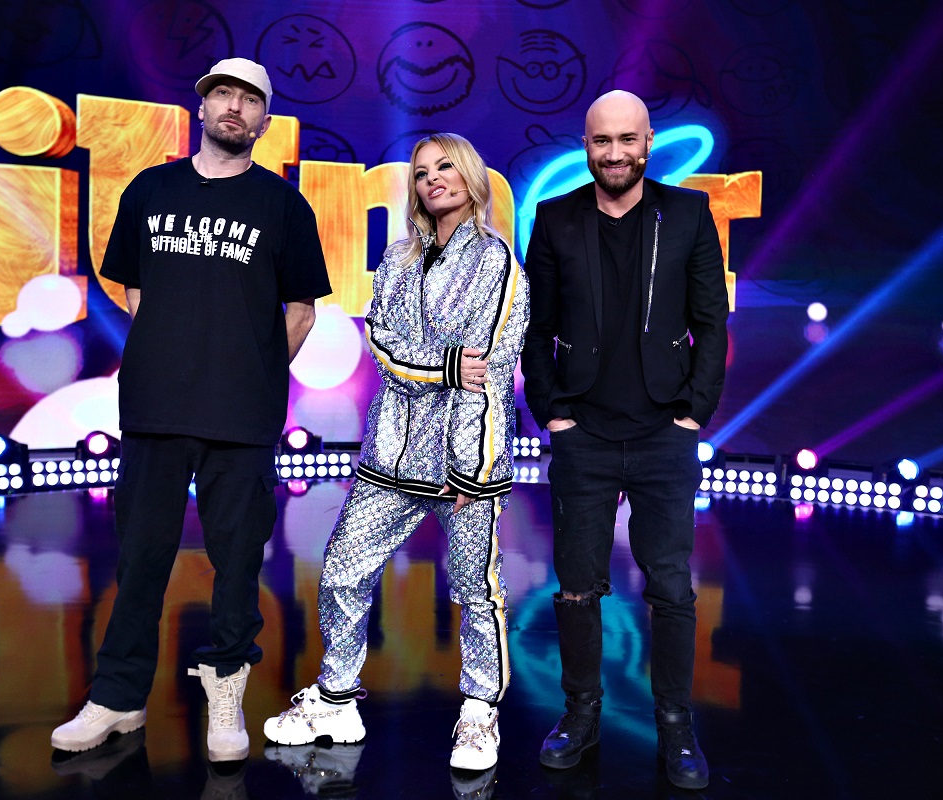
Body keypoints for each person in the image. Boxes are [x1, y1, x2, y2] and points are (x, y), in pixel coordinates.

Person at [50, 57, 332, 761]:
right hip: (156, 407)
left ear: (264, 120)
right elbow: (135, 291)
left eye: (249, 100)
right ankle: (118, 698)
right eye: (222, 95)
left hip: (242, 415)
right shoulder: (151, 188)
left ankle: (226, 693)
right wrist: (175, 353)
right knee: (141, 560)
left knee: (236, 566)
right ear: (201, 108)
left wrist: (250, 373)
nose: (234, 108)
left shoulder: (284, 205)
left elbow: (301, 311)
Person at [262, 133, 528, 771]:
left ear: (470, 174)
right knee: (342, 570)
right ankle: (337, 699)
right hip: (390, 454)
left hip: (467, 458)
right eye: (421, 172)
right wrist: (443, 364)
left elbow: (486, 372)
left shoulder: (497, 262)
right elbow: (380, 341)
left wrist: (472, 469)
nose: (432, 179)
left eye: (445, 166)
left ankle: (479, 712)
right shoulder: (398, 257)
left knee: (476, 589)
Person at [522, 90, 728, 790]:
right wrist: (552, 411)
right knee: (577, 587)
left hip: (665, 430)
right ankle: (581, 713)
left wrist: (695, 411)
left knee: (670, 586)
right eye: (601, 140)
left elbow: (712, 320)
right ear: (586, 144)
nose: (614, 153)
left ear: (648, 144)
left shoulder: (689, 213)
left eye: (627, 140)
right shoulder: (556, 217)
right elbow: (534, 325)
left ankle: (676, 724)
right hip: (582, 431)